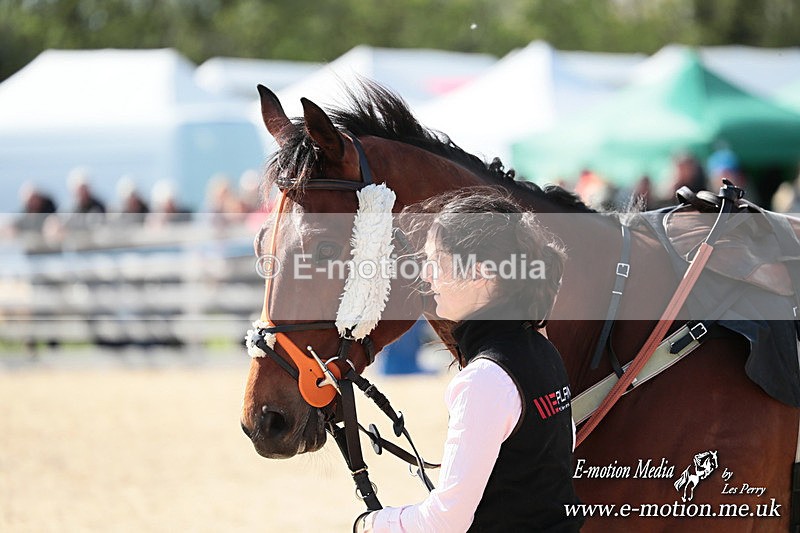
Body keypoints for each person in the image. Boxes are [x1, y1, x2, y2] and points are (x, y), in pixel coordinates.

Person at [357, 188, 583, 532]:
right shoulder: (543, 349)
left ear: (479, 274)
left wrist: (371, 524)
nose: (427, 276)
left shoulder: (485, 378)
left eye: (436, 263)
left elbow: (445, 522)